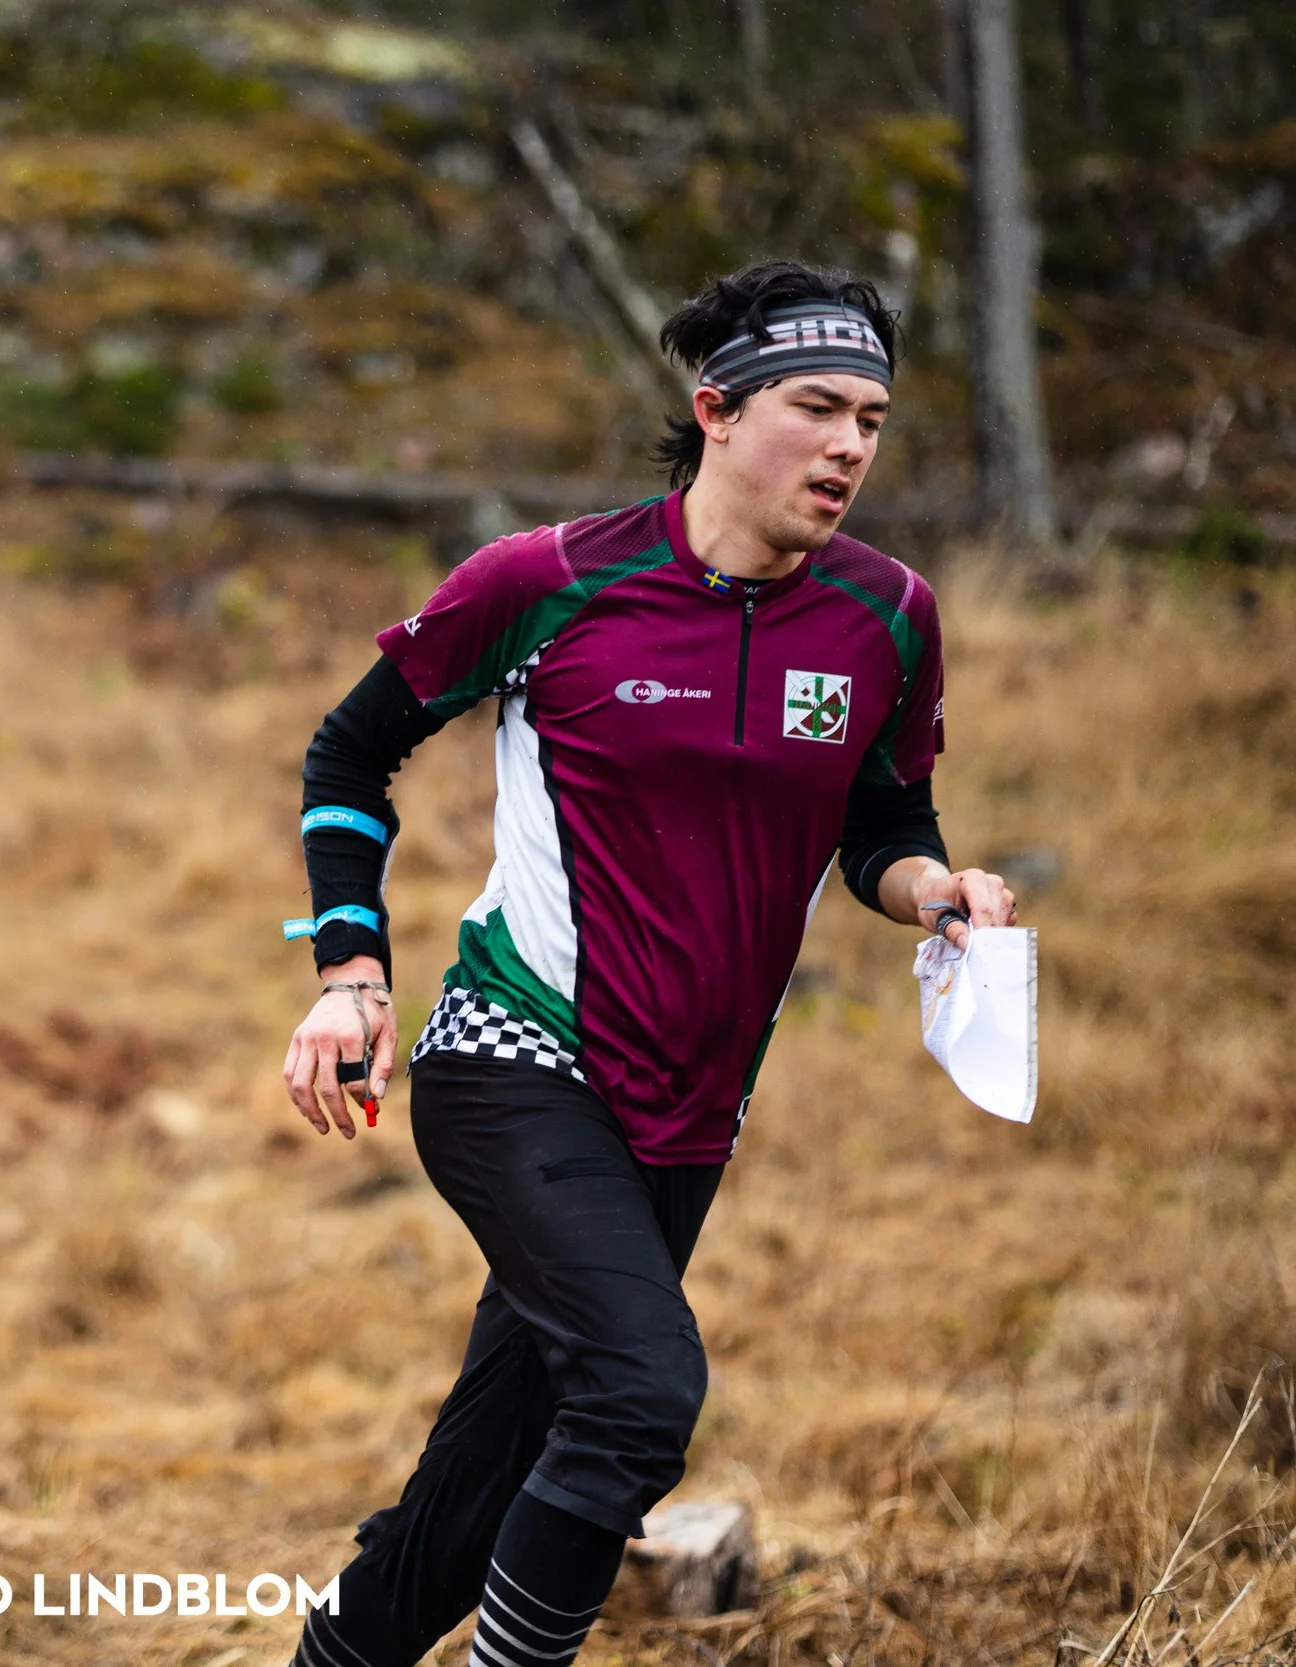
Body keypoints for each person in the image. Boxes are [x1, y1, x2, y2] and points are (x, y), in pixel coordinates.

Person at [277, 259, 1019, 1667]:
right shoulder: (549, 581)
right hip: (515, 1053)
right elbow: (349, 752)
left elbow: (884, 824)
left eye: (871, 418)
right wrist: (350, 972)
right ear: (718, 410)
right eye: (817, 408)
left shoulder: (886, 616)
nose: (851, 447)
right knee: (638, 1393)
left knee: (474, 1504)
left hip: (689, 1106)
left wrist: (939, 891)